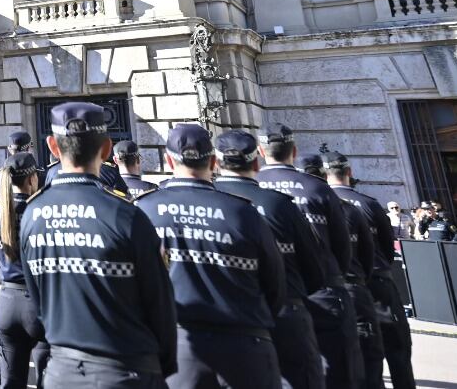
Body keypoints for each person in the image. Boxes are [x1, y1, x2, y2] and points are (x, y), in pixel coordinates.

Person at [21, 102, 176, 388]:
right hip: (126, 369)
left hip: (62, 371)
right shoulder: (128, 214)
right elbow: (160, 305)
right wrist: (161, 367)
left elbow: (37, 300)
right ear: (107, 151)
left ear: (53, 147)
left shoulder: (32, 213)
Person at [138, 124, 284, 389]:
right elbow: (275, 285)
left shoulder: (145, 209)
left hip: (180, 346)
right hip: (245, 345)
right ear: (214, 161)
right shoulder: (242, 211)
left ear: (168, 160)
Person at [213, 130, 326, 389]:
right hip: (285, 311)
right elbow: (315, 266)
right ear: (256, 160)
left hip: (223, 316)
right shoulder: (281, 204)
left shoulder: (209, 199)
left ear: (216, 162)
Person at [257, 125, 360, 389]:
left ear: (260, 151)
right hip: (323, 290)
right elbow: (342, 247)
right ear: (294, 151)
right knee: (337, 373)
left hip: (269, 296)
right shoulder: (318, 188)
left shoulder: (253, 188)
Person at [325, 150, 413, 389]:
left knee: (358, 353)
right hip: (376, 283)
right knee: (397, 349)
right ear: (349, 173)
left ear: (324, 175)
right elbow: (386, 246)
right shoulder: (368, 204)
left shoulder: (321, 205)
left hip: (344, 287)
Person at [0, 150, 49, 389]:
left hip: (6, 303)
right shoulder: (43, 212)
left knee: (11, 382)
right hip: (41, 302)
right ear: (32, 179)